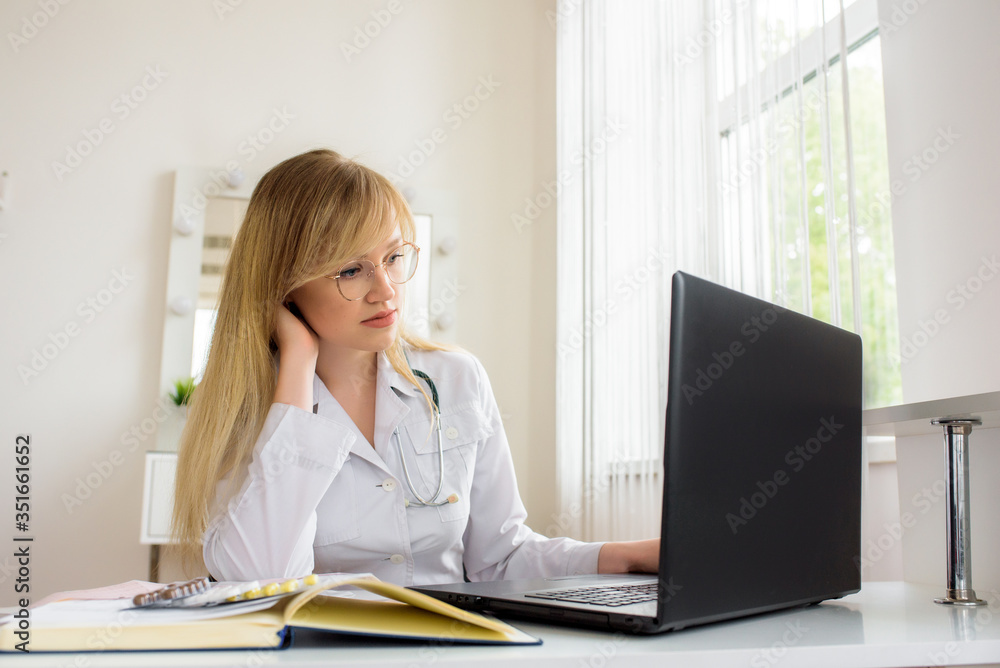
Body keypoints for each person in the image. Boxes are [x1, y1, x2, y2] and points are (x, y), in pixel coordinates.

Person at [172, 148, 658, 585]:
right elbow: (260, 579)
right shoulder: (247, 409)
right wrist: (297, 361)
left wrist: (627, 557)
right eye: (351, 270)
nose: (386, 290)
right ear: (284, 286)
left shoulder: (456, 378)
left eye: (393, 257)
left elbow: (501, 559)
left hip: (452, 641)